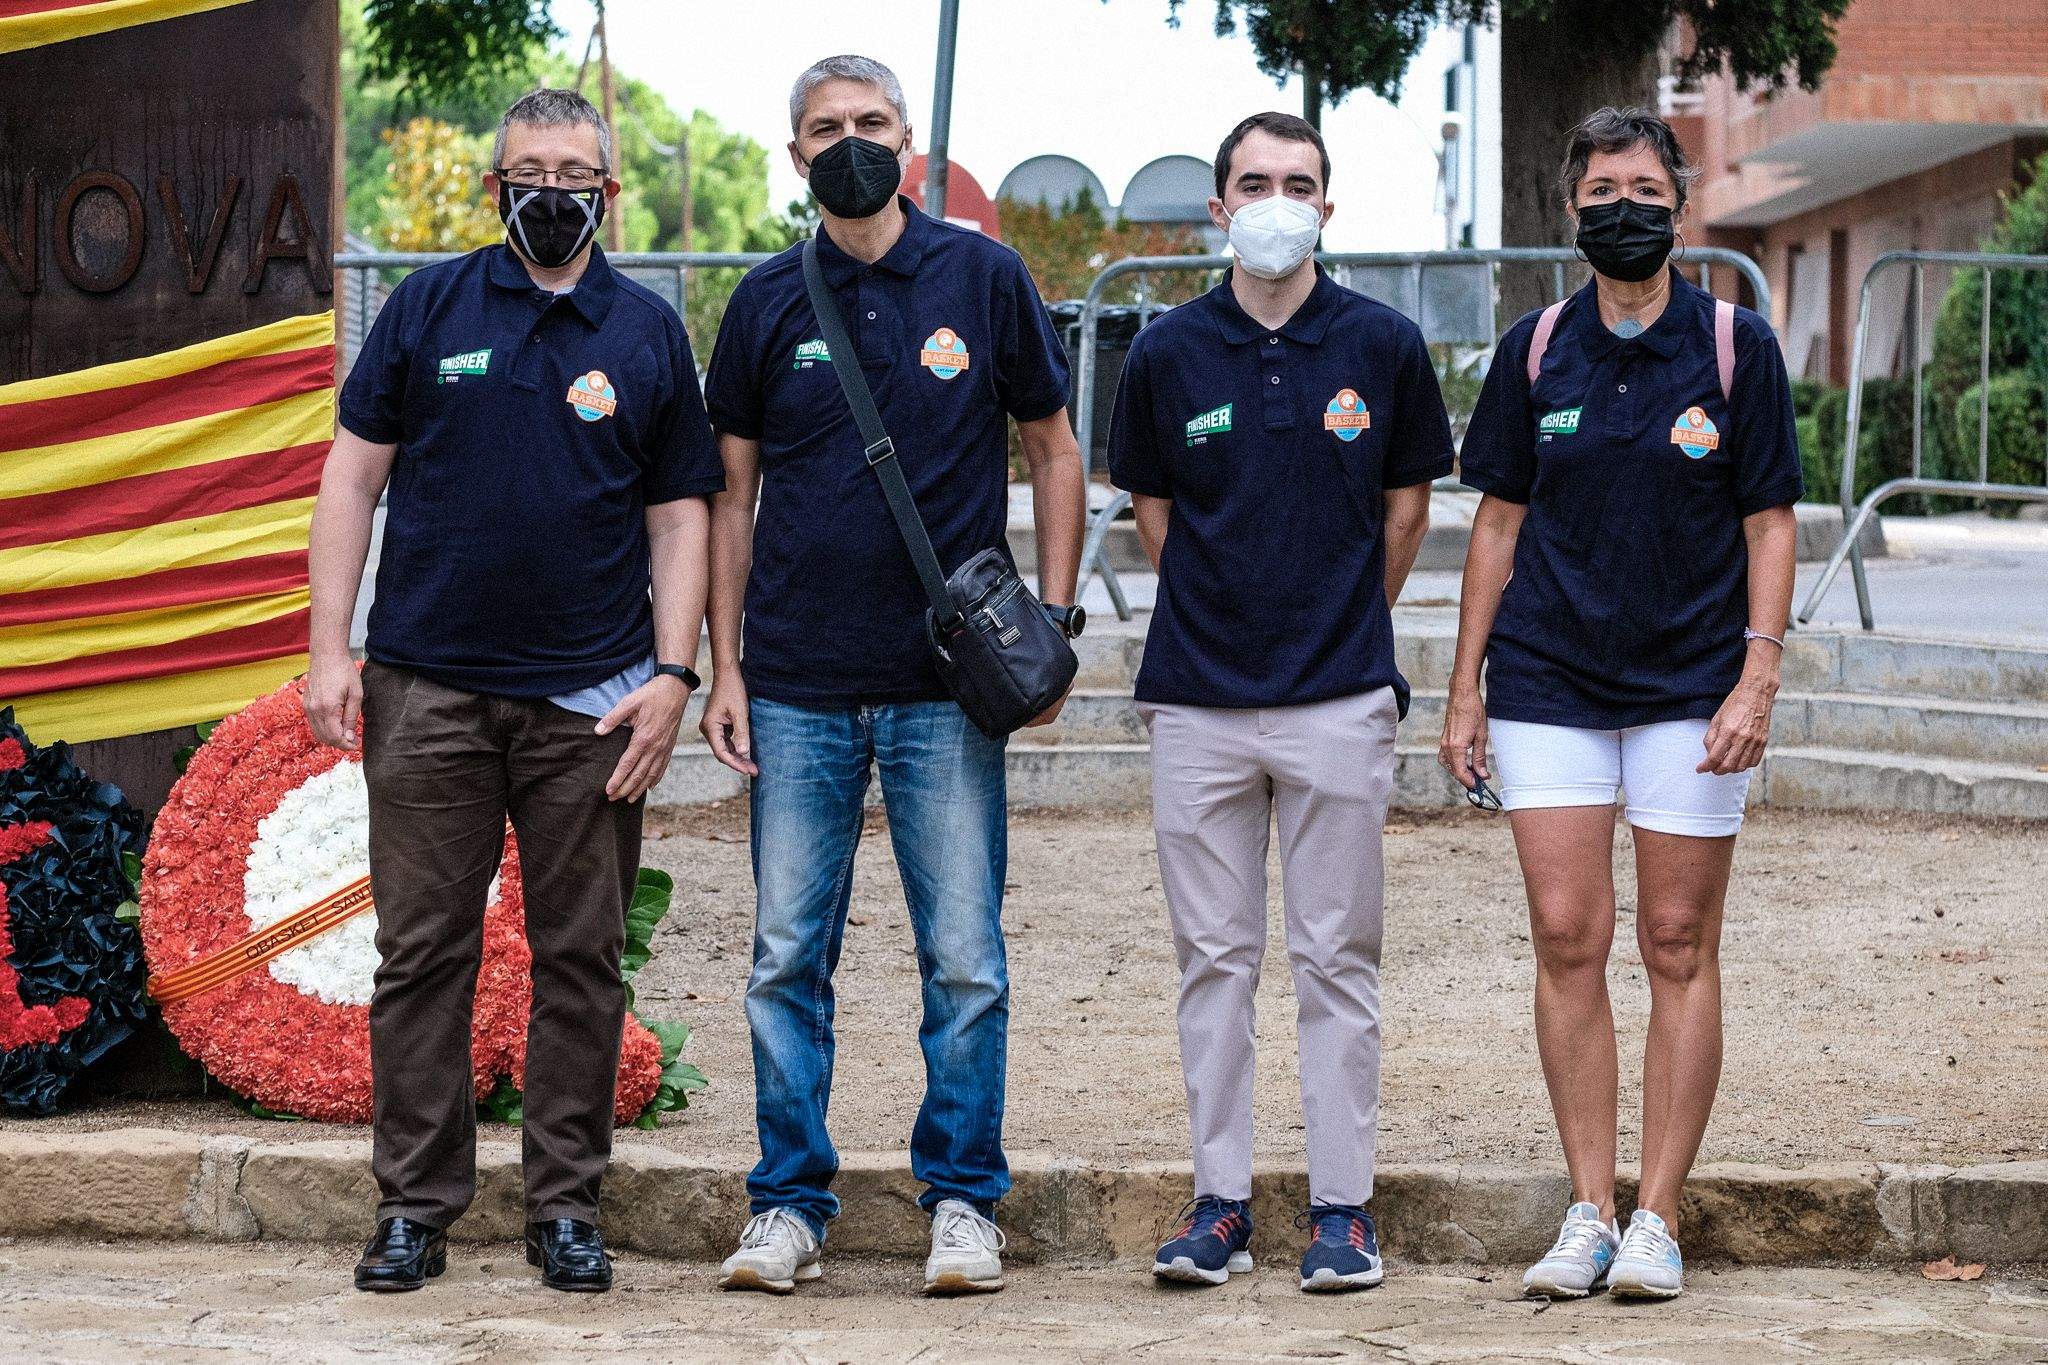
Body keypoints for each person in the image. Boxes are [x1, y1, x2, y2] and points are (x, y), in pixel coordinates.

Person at [307, 88, 721, 1294]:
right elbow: (351, 479)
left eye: (574, 172)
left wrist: (673, 674)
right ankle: (414, 1209)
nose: (552, 190)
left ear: (608, 193)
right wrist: (331, 649)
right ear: (497, 187)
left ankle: (565, 1207)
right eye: (529, 170)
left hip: (588, 705)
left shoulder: (645, 334)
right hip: (427, 691)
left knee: (580, 959)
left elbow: (681, 514)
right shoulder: (427, 305)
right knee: (420, 955)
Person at [699, 54, 1084, 1297]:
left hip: (942, 687)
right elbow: (729, 496)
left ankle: (964, 1202)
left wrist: (1059, 617)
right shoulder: (762, 300)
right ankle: (786, 1206)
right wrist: (724, 664)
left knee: (963, 957)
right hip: (799, 681)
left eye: (870, 123)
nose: (850, 142)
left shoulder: (984, 276)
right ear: (793, 153)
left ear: (908, 142)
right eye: (826, 129)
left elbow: (1053, 446)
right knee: (781, 960)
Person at [1440, 107, 1803, 1302]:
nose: (1623, 209)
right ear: (1570, 208)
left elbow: (1768, 523)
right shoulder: (1533, 349)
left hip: (1694, 689)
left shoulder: (1736, 348)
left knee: (1676, 944)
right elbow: (1494, 523)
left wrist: (1757, 675)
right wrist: (1463, 692)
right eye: (1600, 191)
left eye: (1644, 188)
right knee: (1565, 937)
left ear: (1679, 201)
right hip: (1547, 683)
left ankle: (1656, 1218)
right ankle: (1585, 1209)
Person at [1107, 111, 1452, 1294]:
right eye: (1251, 182)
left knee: (1335, 958)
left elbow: (1405, 510)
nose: (1273, 199)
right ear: (1216, 207)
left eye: (1295, 182)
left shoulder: (1384, 344)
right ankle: (1219, 1203)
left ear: (1326, 206)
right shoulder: (1162, 354)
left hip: (1339, 697)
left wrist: (1336, 618)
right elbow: (1154, 515)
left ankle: (1343, 1212)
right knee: (1214, 960)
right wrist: (1228, 608)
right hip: (1198, 702)